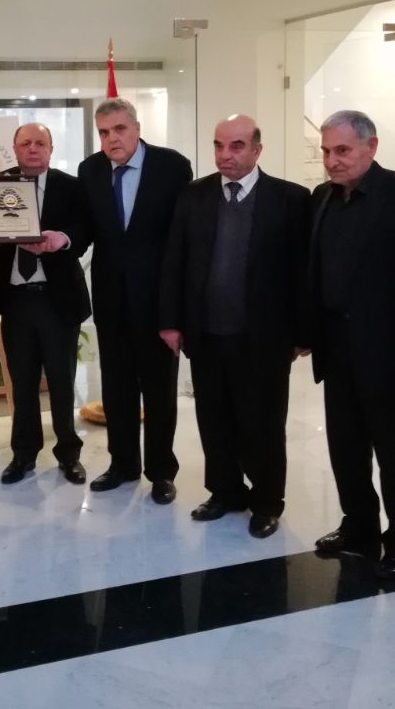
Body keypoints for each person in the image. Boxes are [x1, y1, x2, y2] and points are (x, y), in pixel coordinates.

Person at [159, 115, 310, 537]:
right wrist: (170, 322)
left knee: (263, 422)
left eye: (237, 146)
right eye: (219, 145)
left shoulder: (290, 199)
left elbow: (303, 272)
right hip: (206, 333)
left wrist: (303, 332)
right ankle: (225, 491)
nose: (225, 155)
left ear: (257, 150)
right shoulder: (194, 195)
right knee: (214, 418)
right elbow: (175, 260)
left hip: (264, 337)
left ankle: (266, 501)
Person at [308, 110, 395, 578]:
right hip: (337, 349)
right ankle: (358, 527)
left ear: (371, 146)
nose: (332, 161)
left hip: (393, 354)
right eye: (326, 151)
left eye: (342, 150)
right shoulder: (322, 198)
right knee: (345, 447)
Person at [76, 98, 192, 504]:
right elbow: (86, 229)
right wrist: (62, 241)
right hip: (111, 301)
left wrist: (176, 310)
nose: (112, 139)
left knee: (159, 391)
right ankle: (122, 464)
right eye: (104, 132)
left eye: (120, 129)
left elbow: (182, 240)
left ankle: (161, 472)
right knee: (117, 388)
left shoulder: (172, 166)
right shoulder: (90, 170)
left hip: (158, 303)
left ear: (137, 128)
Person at [0, 123, 91, 486]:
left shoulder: (71, 186)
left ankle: (69, 454)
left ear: (50, 148)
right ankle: (23, 454)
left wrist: (61, 238)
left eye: (40, 143)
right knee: (23, 382)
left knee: (62, 382)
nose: (32, 149)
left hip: (57, 299)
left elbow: (85, 232)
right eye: (25, 143)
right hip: (16, 300)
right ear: (15, 148)